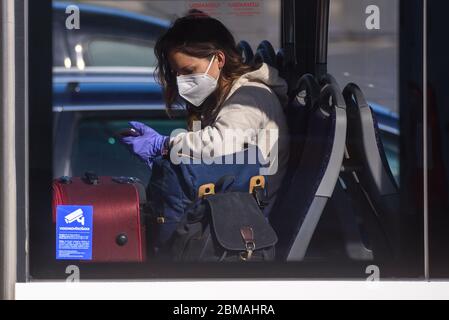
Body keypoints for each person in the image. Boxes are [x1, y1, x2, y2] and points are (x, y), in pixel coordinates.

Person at [121, 11, 289, 214]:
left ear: (218, 59)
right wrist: (168, 156)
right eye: (177, 73)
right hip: (230, 209)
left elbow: (219, 144)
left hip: (249, 220)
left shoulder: (250, 97)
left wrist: (164, 145)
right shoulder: (220, 98)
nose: (181, 80)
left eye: (189, 71)